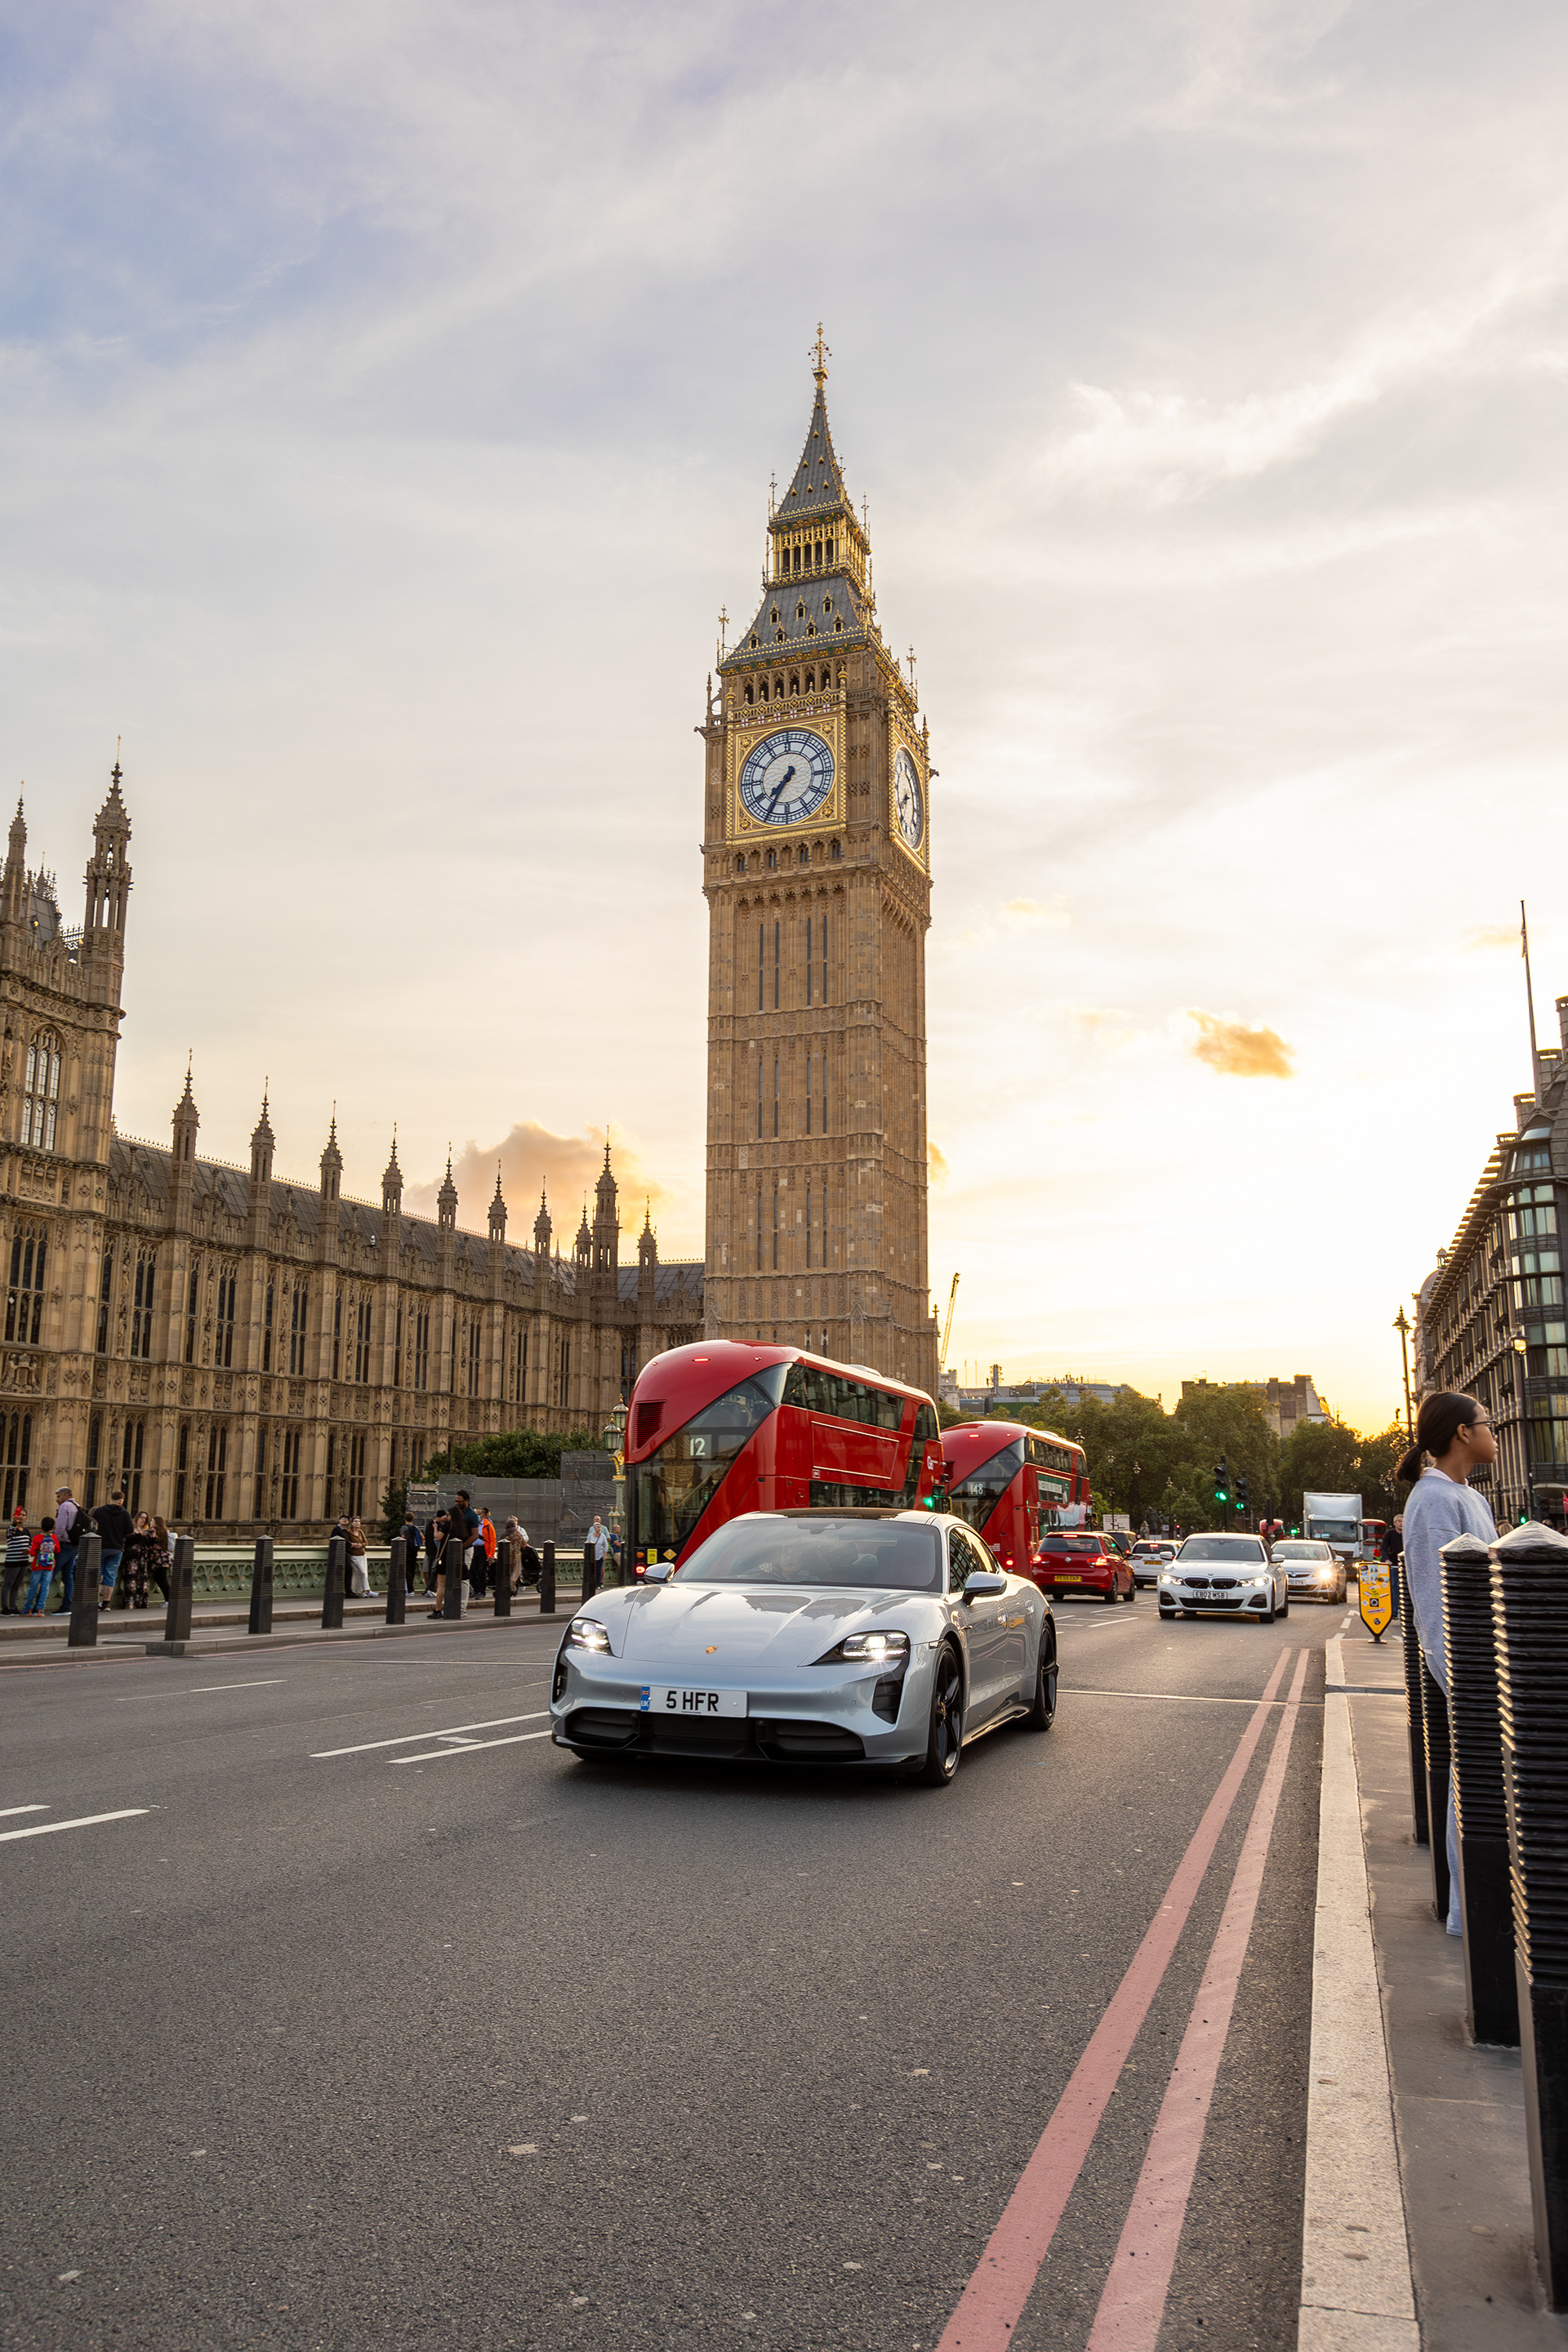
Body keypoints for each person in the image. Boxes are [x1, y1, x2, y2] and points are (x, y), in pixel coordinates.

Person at [1397, 1392, 1498, 1936]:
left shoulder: (1464, 1495)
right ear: (1463, 1433)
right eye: (1488, 1423)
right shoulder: (1435, 1501)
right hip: (1473, 1668)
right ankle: (1469, 1915)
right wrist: (1461, 1676)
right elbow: (1435, 1602)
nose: (1495, 1432)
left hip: (1491, 1664)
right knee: (1476, 1787)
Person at [91, 1488, 135, 1606]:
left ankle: (92, 1600)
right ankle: (106, 1603)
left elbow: (92, 1526)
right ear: (121, 1501)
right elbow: (130, 1532)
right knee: (110, 1576)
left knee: (96, 1574)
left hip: (101, 1546)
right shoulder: (125, 1513)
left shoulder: (99, 1511)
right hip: (117, 1547)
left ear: (111, 1499)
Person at [53, 1486, 80, 1613]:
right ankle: (67, 1606)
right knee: (68, 1576)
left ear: (65, 1495)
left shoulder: (64, 1507)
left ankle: (38, 1606)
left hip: (65, 1546)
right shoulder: (76, 1505)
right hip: (75, 1545)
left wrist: (54, 1544)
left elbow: (60, 1529)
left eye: (58, 1496)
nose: (57, 1500)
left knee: (50, 1573)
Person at [24, 1515, 57, 1616]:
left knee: (33, 1587)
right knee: (45, 1587)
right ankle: (40, 1609)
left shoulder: (37, 1538)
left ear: (41, 1526)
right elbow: (58, 1549)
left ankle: (28, 1609)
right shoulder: (54, 1537)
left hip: (38, 1565)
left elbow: (33, 1552)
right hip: (49, 1565)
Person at [2, 1507, 30, 1615]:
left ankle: (13, 1606)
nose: (21, 1517)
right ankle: (5, 1608)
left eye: (23, 1515)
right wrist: (15, 1523)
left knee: (17, 1585)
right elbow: (12, 1532)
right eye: (19, 1515)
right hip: (13, 1561)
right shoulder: (11, 1529)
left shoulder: (27, 1531)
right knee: (7, 1584)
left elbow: (30, 1544)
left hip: (23, 1561)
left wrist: (29, 1549)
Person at [582, 1513, 610, 1599]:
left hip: (600, 1555)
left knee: (599, 1569)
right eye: (596, 1520)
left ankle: (599, 1583)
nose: (599, 1528)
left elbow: (606, 1543)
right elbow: (587, 1542)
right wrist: (585, 1551)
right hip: (592, 1555)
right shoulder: (591, 1532)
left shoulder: (604, 1532)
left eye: (598, 1520)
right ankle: (592, 1583)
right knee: (591, 1570)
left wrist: (605, 1554)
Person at [346, 1516, 372, 1598]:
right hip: (354, 1556)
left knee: (362, 1574)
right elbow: (347, 1543)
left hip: (362, 1555)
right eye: (355, 1521)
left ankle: (362, 1592)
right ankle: (368, 1591)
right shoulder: (349, 1532)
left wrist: (361, 1545)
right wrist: (353, 1545)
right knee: (362, 1573)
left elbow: (366, 1542)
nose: (357, 1523)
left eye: (359, 1522)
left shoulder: (360, 1532)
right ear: (352, 1523)